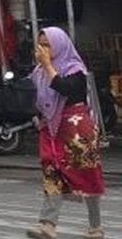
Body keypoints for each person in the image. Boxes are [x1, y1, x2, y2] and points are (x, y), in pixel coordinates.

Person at [28, 27, 105, 239]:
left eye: (47, 45)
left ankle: (95, 226)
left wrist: (48, 67)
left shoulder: (74, 69)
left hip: (76, 128)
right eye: (40, 45)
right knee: (52, 171)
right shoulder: (38, 72)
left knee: (87, 173)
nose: (43, 49)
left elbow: (68, 90)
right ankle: (47, 224)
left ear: (59, 45)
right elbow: (37, 98)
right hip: (51, 128)